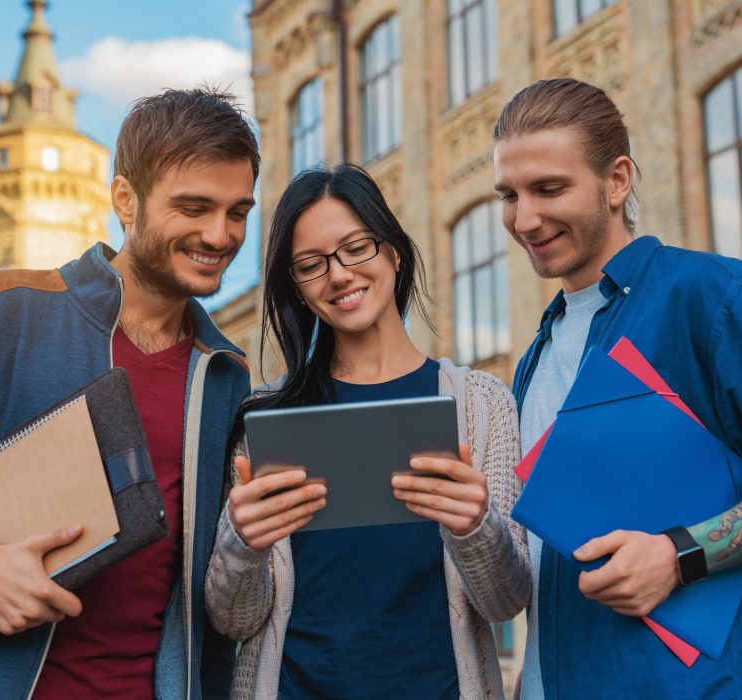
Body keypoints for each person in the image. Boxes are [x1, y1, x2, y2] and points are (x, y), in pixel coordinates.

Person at [0, 87, 258, 699]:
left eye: (237, 212)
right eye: (194, 206)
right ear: (125, 199)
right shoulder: (2, 310)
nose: (220, 233)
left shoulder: (225, 373)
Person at [492, 77, 742, 699]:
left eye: (549, 189)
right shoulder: (535, 356)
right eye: (509, 194)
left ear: (617, 181)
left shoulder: (711, 296)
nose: (524, 218)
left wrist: (679, 554)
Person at [205, 163, 530, 699]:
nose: (338, 274)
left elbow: (505, 602)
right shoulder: (265, 416)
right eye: (311, 264)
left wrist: (477, 524)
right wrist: (242, 543)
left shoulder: (480, 404)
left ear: (393, 252)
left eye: (356, 248)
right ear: (297, 287)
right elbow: (234, 620)